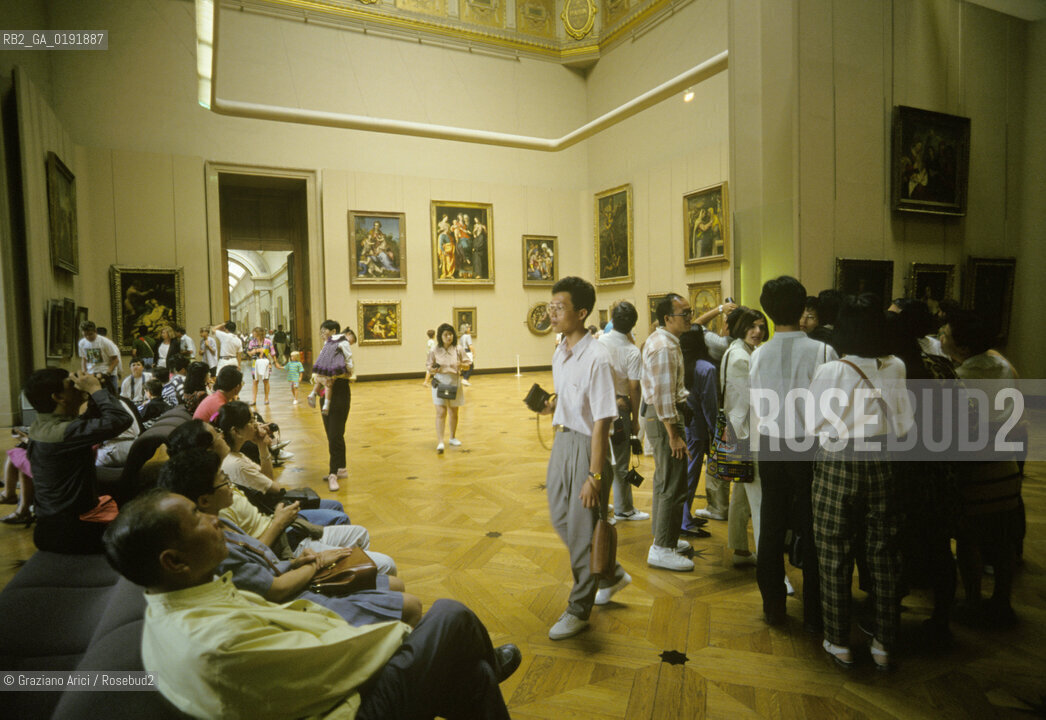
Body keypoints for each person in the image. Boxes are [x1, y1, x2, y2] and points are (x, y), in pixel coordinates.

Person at [102, 488, 519, 720]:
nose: (213, 520)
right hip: (345, 709)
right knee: (450, 615)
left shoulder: (182, 596)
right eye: (197, 518)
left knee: (473, 675)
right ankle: (478, 656)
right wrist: (405, 635)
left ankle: (479, 663)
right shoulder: (215, 641)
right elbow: (337, 664)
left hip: (323, 681)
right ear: (173, 561)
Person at [159, 448, 423, 627]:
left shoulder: (222, 519)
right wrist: (313, 563)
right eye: (223, 481)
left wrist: (298, 563)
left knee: (394, 583)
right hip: (297, 597)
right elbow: (275, 589)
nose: (228, 483)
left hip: (295, 570)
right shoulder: (212, 547)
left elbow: (266, 564)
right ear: (203, 500)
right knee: (408, 601)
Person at [808, 294, 914, 670]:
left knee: (834, 554)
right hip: (883, 462)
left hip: (838, 463)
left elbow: (813, 424)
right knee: (884, 556)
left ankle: (839, 641)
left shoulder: (832, 371)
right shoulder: (896, 366)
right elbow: (905, 424)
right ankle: (884, 642)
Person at [540, 276, 629, 640]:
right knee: (560, 515)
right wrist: (552, 404)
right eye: (551, 306)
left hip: (587, 447)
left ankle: (580, 606)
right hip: (562, 440)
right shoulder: (560, 351)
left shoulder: (598, 356)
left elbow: (602, 421)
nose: (552, 312)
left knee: (580, 527)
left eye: (559, 308)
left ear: (581, 312)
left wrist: (594, 475)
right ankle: (610, 572)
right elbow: (571, 399)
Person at [750, 276, 836, 629]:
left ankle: (773, 604)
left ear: (768, 312)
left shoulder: (757, 355)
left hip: (771, 444)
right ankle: (816, 610)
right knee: (814, 528)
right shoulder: (822, 351)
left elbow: (757, 405)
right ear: (803, 309)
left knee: (771, 525)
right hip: (808, 444)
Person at [940, 310, 1022, 629]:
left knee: (968, 539)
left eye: (945, 333)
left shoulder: (959, 378)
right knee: (1003, 540)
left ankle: (973, 601)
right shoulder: (1003, 366)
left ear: (961, 345)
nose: (941, 337)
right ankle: (1002, 601)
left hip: (975, 471)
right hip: (1006, 466)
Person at [22, 368, 132, 553]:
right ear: (58, 397)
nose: (77, 385)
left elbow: (91, 420)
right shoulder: (64, 432)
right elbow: (120, 419)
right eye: (71, 384)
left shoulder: (43, 424)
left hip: (50, 526)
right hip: (71, 532)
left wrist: (97, 389)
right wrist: (95, 390)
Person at [641, 293, 696, 572]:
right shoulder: (664, 347)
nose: (690, 317)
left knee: (666, 479)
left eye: (690, 312)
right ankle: (662, 547)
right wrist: (674, 434)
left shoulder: (662, 340)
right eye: (684, 313)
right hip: (666, 420)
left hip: (662, 418)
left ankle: (664, 539)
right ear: (667, 319)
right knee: (674, 483)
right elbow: (663, 396)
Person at [719, 307, 767, 566]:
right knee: (757, 499)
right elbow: (740, 405)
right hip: (746, 434)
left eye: (761, 327)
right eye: (752, 326)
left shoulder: (741, 351)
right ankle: (764, 557)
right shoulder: (741, 357)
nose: (757, 332)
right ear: (741, 327)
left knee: (740, 492)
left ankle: (739, 548)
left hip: (740, 432)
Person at [597, 300, 649, 523]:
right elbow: (634, 387)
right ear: (632, 325)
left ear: (612, 319)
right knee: (621, 459)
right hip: (620, 409)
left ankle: (602, 504)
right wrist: (636, 419)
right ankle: (625, 508)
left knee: (601, 459)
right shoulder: (631, 351)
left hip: (599, 407)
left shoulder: (599, 342)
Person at [679, 329, 717, 537]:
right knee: (691, 474)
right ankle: (684, 521)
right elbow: (709, 404)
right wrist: (715, 428)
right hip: (698, 427)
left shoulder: (682, 365)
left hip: (684, 424)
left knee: (688, 472)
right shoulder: (706, 368)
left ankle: (685, 515)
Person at [309, 320, 355, 491]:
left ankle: (333, 473)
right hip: (326, 393)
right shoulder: (326, 347)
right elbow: (319, 372)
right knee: (332, 433)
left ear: (333, 331)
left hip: (340, 393)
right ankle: (341, 468)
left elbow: (349, 368)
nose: (322, 334)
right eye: (320, 331)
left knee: (335, 434)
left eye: (325, 331)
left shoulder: (341, 344)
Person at [426, 322, 470, 453]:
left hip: (454, 381)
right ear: (440, 336)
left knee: (453, 412)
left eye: (450, 334)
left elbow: (468, 364)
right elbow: (428, 366)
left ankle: (452, 437)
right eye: (446, 334)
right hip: (440, 381)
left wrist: (461, 364)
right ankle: (440, 441)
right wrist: (434, 369)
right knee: (441, 412)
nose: (449, 337)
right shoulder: (434, 350)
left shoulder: (458, 348)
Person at [78, 320, 121, 392]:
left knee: (112, 397)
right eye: (85, 335)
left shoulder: (105, 342)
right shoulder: (82, 343)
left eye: (90, 334)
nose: (88, 337)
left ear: (95, 331)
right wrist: (84, 373)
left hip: (108, 374)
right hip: (92, 374)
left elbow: (115, 360)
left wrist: (107, 374)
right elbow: (84, 359)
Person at [247, 327, 281, 406]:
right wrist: (255, 351)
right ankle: (254, 400)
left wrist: (276, 362)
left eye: (254, 332)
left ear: (259, 333)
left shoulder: (268, 342)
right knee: (255, 381)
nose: (253, 334)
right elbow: (248, 352)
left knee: (266, 380)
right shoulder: (252, 342)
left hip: (266, 362)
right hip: (255, 362)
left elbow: (272, 352)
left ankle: (266, 398)